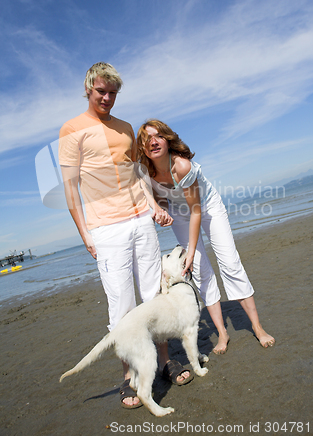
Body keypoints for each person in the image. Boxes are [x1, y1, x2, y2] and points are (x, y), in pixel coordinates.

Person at [58, 63, 191, 409]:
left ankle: (164, 363)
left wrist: (152, 208)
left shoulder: (126, 128)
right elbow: (70, 189)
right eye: (101, 91)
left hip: (140, 222)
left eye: (113, 93)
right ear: (88, 88)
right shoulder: (72, 130)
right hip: (106, 228)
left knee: (153, 296)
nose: (107, 98)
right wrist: (85, 233)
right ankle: (129, 378)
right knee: (121, 305)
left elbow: (135, 176)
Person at [137, 119, 275, 352]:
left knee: (230, 263)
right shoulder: (145, 170)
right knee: (200, 271)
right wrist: (158, 209)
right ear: (143, 147)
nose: (153, 142)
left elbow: (197, 210)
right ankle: (222, 334)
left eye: (158, 136)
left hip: (206, 207)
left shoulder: (181, 166)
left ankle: (258, 327)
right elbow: (145, 188)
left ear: (167, 140)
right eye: (147, 139)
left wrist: (190, 251)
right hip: (179, 213)